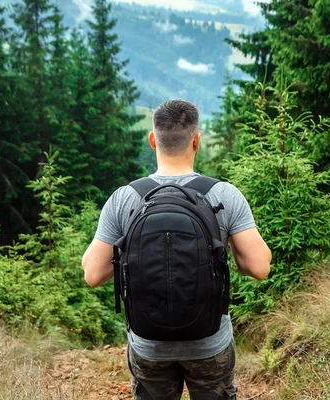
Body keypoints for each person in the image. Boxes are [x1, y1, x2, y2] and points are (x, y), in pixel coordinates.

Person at [82, 99, 272, 400]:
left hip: (148, 345)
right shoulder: (223, 195)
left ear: (153, 139)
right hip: (210, 343)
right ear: (196, 140)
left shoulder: (125, 198)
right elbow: (259, 267)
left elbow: (93, 274)